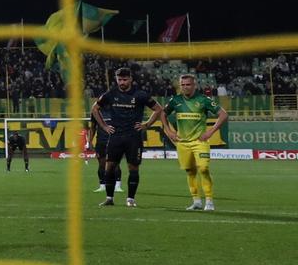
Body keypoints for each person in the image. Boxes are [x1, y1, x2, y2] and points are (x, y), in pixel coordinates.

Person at [91, 66, 166, 208]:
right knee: (110, 167)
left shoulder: (140, 95)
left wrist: (147, 124)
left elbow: (158, 109)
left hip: (133, 137)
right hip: (115, 137)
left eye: (125, 79)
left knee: (133, 168)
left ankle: (130, 199)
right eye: (119, 79)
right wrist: (104, 127)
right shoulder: (110, 94)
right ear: (116, 79)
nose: (122, 82)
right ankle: (109, 198)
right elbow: (95, 109)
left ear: (130, 79)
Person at [161, 72, 228, 212]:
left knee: (203, 169)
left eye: (188, 84)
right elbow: (162, 113)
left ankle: (209, 201)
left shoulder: (204, 100)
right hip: (182, 143)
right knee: (190, 171)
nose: (185, 87)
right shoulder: (175, 100)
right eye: (182, 85)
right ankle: (196, 201)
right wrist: (169, 131)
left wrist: (210, 132)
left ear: (194, 85)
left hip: (199, 142)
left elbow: (223, 114)